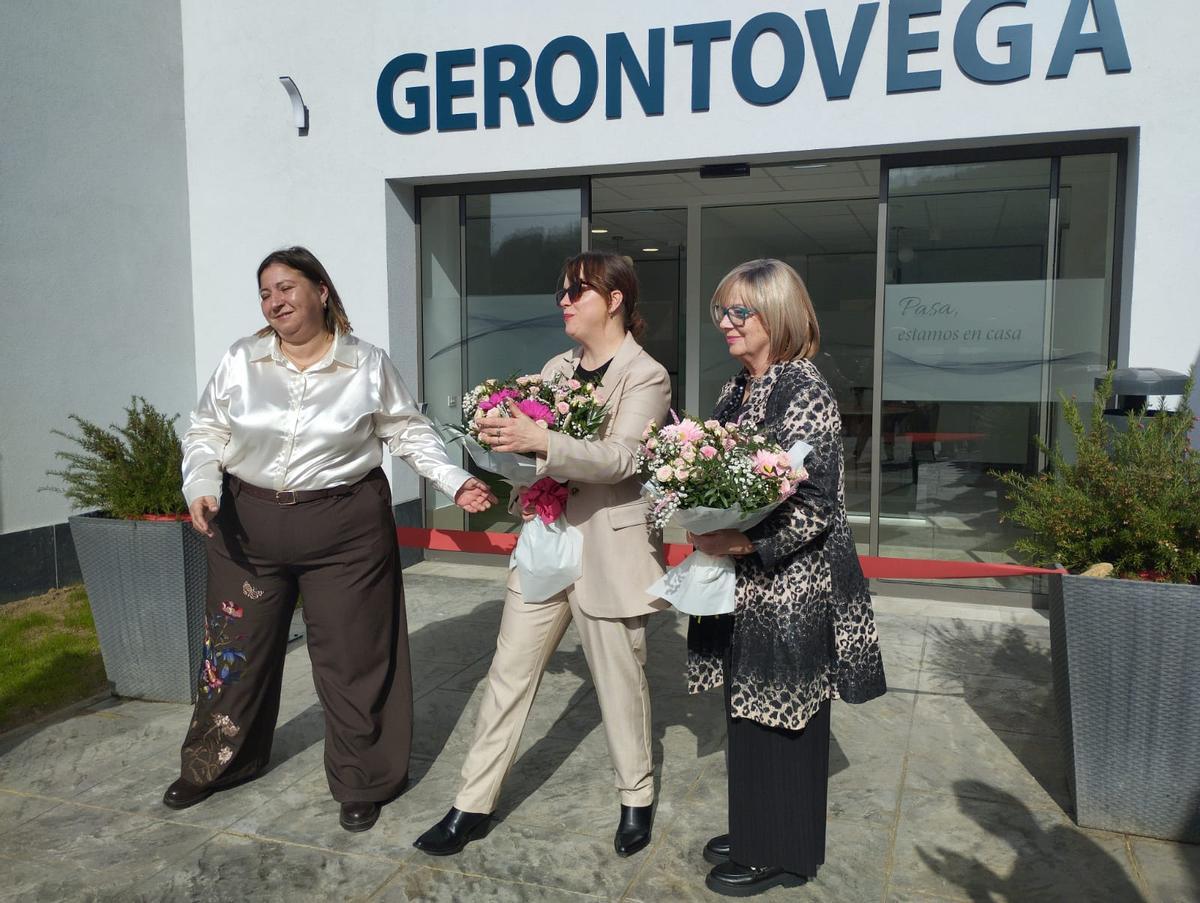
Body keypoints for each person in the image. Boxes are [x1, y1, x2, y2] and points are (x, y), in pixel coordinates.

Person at [164, 246, 496, 833]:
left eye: (287, 287)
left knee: (353, 660)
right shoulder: (242, 359)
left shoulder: (366, 363)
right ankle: (218, 764)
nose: (275, 301)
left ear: (321, 291)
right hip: (248, 526)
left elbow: (406, 431)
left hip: (345, 531)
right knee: (233, 655)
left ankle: (362, 781)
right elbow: (206, 429)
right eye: (266, 292)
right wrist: (201, 483)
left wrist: (453, 478)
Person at [413, 251, 671, 858]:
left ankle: (636, 797)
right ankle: (470, 805)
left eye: (577, 291)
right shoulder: (556, 366)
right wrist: (505, 443)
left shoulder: (646, 374)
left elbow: (622, 459)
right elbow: (535, 448)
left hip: (609, 544)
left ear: (615, 299)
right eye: (563, 290)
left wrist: (541, 442)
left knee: (619, 681)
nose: (564, 300)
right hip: (546, 541)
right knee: (507, 675)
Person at [686, 258, 886, 896]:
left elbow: (816, 504)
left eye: (740, 311)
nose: (726, 322)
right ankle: (756, 825)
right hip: (744, 581)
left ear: (778, 316)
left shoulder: (804, 388)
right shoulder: (736, 389)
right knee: (746, 708)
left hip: (793, 585)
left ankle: (784, 851)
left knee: (786, 715)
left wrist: (741, 538)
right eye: (723, 310)